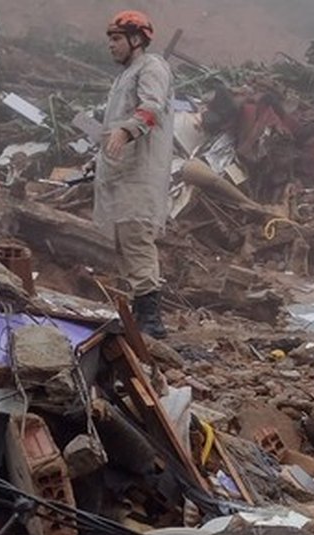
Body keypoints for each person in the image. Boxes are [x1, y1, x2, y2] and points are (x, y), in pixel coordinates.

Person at [93, 10, 174, 339]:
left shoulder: (152, 67)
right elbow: (113, 128)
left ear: (137, 39)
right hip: (120, 173)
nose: (111, 45)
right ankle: (138, 316)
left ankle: (151, 321)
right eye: (110, 39)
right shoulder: (124, 76)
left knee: (137, 239)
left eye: (116, 39)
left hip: (140, 173)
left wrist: (126, 131)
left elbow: (151, 107)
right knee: (124, 243)